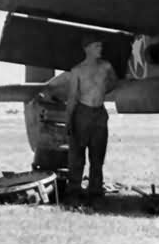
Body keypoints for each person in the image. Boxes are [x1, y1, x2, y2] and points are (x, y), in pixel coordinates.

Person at [39, 37, 119, 201]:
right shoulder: (77, 71)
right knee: (77, 155)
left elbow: (114, 82)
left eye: (101, 46)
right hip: (82, 112)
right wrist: (69, 120)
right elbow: (73, 96)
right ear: (87, 48)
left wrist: (101, 92)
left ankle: (95, 191)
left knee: (98, 155)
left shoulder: (106, 67)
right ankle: (74, 190)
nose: (100, 48)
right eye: (97, 46)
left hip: (99, 113)